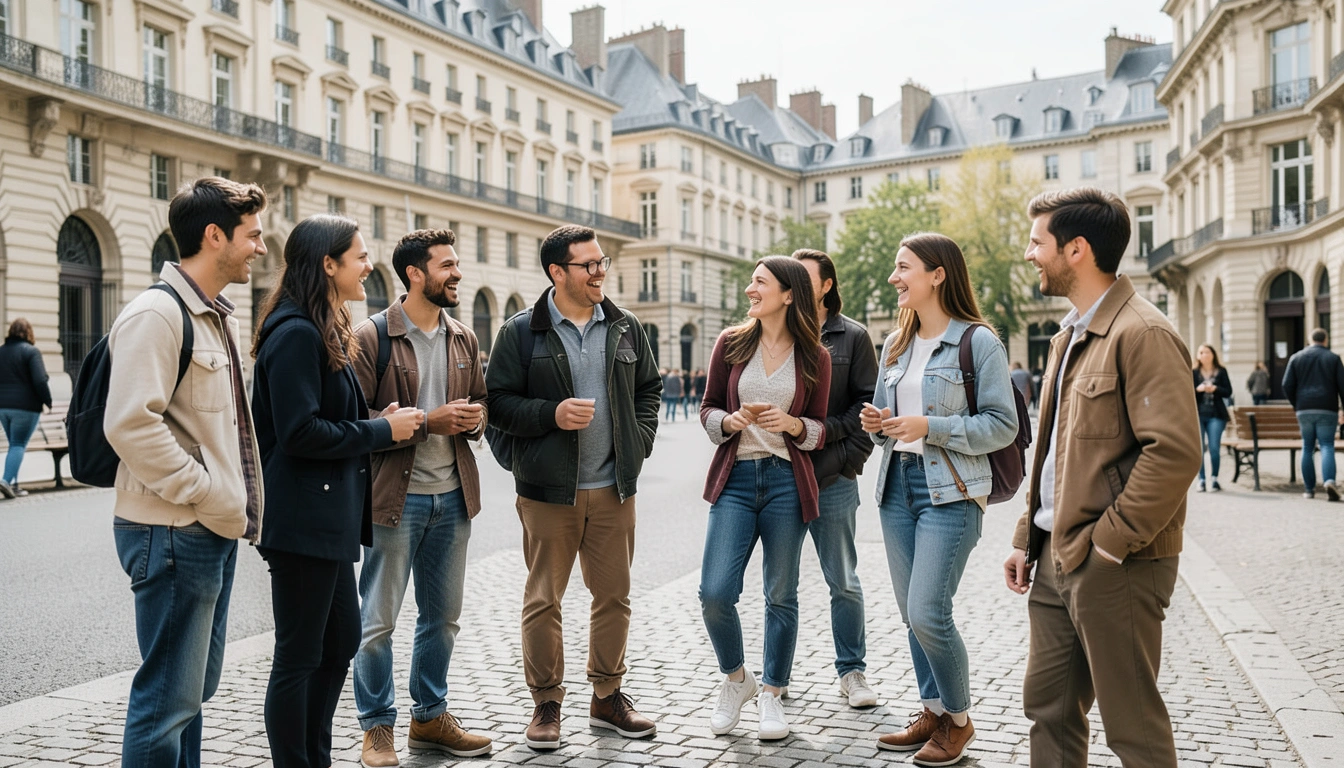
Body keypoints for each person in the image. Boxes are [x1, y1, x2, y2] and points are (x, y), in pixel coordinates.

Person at [1003, 188, 1201, 768]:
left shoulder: (1144, 333)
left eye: (1038, 242)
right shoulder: (1066, 335)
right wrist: (1027, 536)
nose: (1029, 253)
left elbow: (1173, 454)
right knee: (1048, 710)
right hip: (1056, 558)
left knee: (1132, 728)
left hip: (1118, 564)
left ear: (1078, 249)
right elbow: (1054, 453)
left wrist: (1108, 545)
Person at [250, 215, 425, 768]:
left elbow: (327, 418)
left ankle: (314, 757)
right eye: (359, 256)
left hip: (325, 519)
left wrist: (378, 419)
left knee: (339, 641)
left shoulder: (321, 324)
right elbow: (299, 431)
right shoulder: (296, 331)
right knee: (300, 656)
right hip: (301, 521)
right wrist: (381, 431)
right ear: (328, 264)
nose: (369, 265)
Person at [104, 177, 267, 766]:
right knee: (165, 703)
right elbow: (129, 424)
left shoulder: (212, 314)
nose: (261, 247)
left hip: (204, 530)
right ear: (214, 235)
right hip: (174, 530)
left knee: (190, 697)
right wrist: (206, 493)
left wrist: (220, 505)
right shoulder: (158, 313)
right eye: (252, 235)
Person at [486, 225, 662, 750]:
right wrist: (551, 416)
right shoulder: (522, 332)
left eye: (601, 261)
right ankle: (547, 703)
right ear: (556, 272)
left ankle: (607, 697)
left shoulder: (625, 326)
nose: (600, 271)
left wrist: (640, 442)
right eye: (587, 265)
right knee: (544, 600)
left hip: (614, 488)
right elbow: (497, 403)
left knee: (614, 596)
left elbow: (649, 391)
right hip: (547, 493)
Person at [860, 234, 1018, 766]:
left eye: (902, 268)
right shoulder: (895, 344)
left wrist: (931, 426)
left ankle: (960, 719)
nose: (893, 278)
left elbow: (1002, 425)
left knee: (929, 611)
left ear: (937, 274)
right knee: (911, 614)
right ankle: (932, 711)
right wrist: (879, 424)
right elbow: (889, 422)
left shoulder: (979, 343)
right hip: (897, 487)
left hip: (950, 493)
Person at [351, 229, 492, 766]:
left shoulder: (464, 337)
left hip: (454, 497)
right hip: (395, 499)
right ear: (415, 273)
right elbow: (352, 421)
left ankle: (430, 718)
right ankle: (377, 727)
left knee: (443, 618)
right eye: (447, 265)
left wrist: (474, 418)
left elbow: (479, 400)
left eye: (456, 264)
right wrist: (426, 422)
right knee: (378, 621)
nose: (457, 273)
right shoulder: (373, 337)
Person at [699, 256, 830, 742]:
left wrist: (793, 425)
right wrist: (729, 422)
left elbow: (818, 429)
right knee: (714, 593)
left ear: (788, 294)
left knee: (780, 594)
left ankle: (773, 693)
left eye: (759, 282)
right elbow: (708, 407)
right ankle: (737, 680)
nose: (750, 289)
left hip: (785, 484)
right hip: (735, 479)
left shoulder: (816, 355)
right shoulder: (731, 343)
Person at [792, 248, 879, 708]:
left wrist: (845, 460)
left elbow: (867, 409)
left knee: (842, 580)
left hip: (834, 480)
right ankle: (775, 678)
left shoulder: (854, 338)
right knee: (778, 585)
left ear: (827, 285)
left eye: (805, 278)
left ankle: (853, 672)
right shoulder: (775, 332)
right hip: (783, 478)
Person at [1282, 328, 1344, 500]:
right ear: (1326, 340)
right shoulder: (1333, 358)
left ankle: (1309, 490)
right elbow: (1343, 386)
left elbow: (1286, 385)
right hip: (1327, 407)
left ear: (1310, 339)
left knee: (1307, 446)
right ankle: (1330, 480)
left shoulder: (1296, 358)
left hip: (1304, 408)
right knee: (1326, 445)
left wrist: (1297, 403)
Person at [0, 318, 52, 497]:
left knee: (14, 444)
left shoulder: (1, 351)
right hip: (25, 407)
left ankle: (13, 485)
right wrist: (48, 401)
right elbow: (40, 380)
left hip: (3, 408)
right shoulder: (31, 352)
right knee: (18, 444)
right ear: (29, 332)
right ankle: (6, 481)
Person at [1193, 344, 1232, 493]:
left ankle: (1214, 478)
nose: (1204, 355)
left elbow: (1228, 392)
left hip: (1216, 415)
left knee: (1214, 448)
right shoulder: (1194, 372)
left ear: (1213, 354)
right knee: (1199, 449)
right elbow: (1186, 392)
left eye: (1207, 352)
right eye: (1201, 352)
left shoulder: (1221, 371)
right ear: (1198, 356)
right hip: (1198, 414)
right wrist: (1198, 389)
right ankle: (1201, 480)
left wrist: (1215, 388)